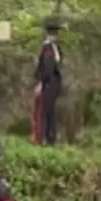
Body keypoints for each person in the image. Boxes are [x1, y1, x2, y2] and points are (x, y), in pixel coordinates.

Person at [32, 17, 64, 145]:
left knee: (45, 111)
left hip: (49, 82)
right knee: (48, 110)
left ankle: (46, 138)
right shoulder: (53, 48)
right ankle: (49, 137)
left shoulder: (49, 48)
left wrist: (41, 82)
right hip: (53, 82)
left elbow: (48, 68)